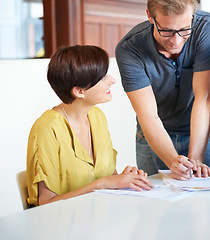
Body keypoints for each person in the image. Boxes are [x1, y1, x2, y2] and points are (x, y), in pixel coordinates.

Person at [27, 45, 153, 206]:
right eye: (102, 78)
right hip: (62, 225)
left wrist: (125, 178)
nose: (112, 80)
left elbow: (109, 177)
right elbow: (46, 203)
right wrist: (101, 184)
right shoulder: (47, 128)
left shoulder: (97, 116)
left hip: (98, 219)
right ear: (79, 91)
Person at [115, 0, 210, 180]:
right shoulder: (130, 48)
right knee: (155, 202)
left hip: (199, 129)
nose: (176, 40)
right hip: (153, 132)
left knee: (205, 200)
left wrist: (194, 162)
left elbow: (203, 98)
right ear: (150, 16)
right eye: (167, 31)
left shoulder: (206, 26)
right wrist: (173, 162)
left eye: (185, 29)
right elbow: (148, 115)